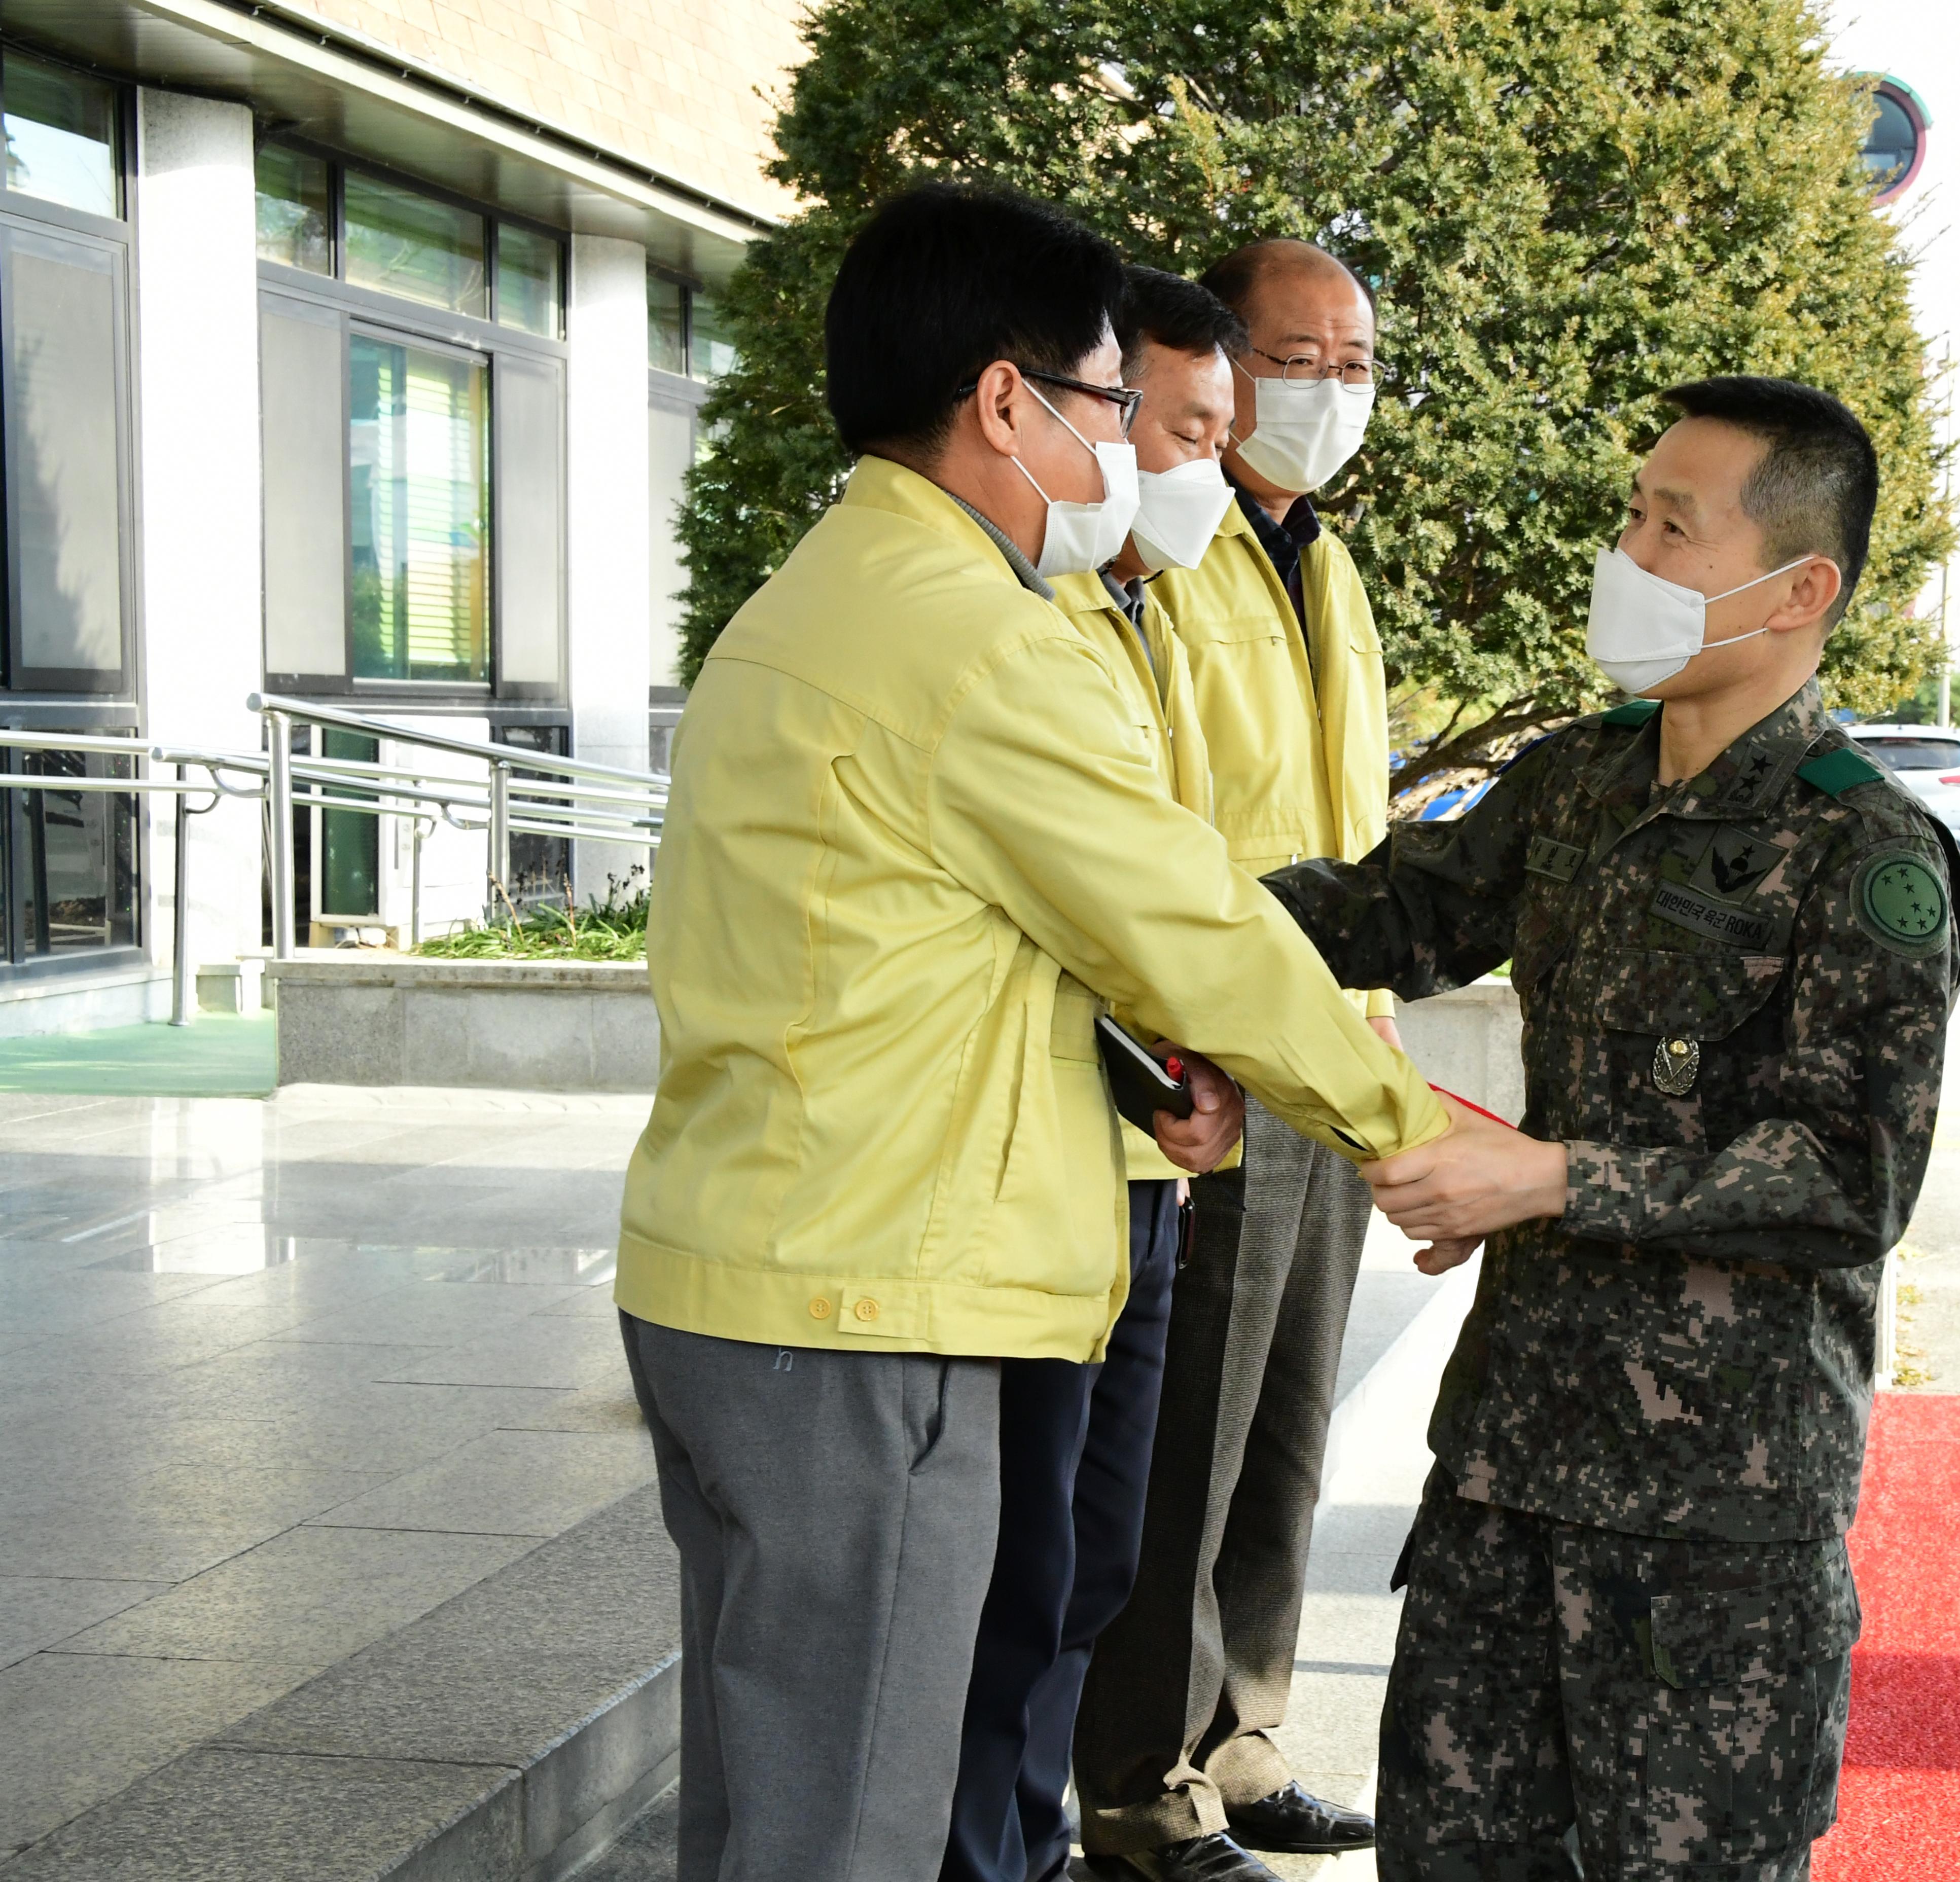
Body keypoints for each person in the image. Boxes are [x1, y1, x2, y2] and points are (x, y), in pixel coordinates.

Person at [613, 184, 1447, 1882]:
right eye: (1105, 404)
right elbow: (1191, 923)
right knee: (846, 1829)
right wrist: (1414, 1130)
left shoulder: (828, 597)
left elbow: (925, 948)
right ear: (1006, 402)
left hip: (757, 1270)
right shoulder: (977, 640)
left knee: (771, 1808)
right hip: (865, 1307)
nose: (1128, 450)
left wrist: (1153, 1073)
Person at [1262, 376, 1960, 1880]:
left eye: (1671, 525)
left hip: (1715, 1520)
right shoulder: (1580, 779)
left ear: (1802, 586)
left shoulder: (1864, 846)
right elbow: (1395, 912)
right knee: (1452, 1857)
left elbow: (1855, 1177)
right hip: (1508, 1463)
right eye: (1631, 515)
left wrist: (1553, 1177)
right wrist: (1144, 915)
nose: (1628, 554)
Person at [1076, 238, 1403, 1882]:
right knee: (1186, 1428)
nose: (1329, 390)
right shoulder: (1152, 548)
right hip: (1220, 1053)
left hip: (1333, 1037)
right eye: (1298, 356)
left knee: (1287, 1420)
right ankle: (1143, 1772)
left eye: (1355, 359)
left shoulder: (1317, 554)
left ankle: (1245, 1732)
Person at [941, 266, 1245, 1882]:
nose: (1183, 458)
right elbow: (1132, 914)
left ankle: (1033, 1843)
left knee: (1095, 1552)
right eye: (1158, 420)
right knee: (1025, 1560)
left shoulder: (1159, 606)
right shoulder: (1013, 621)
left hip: (1150, 1153)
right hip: (1065, 1156)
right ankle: (988, 1849)